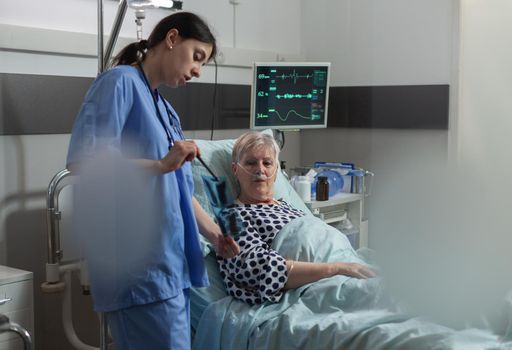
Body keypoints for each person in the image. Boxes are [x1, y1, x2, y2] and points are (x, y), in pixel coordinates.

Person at [66, 12, 240, 350]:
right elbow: (83, 162)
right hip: (139, 271)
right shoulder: (119, 83)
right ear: (172, 39)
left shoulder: (165, 109)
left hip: (170, 267)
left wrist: (215, 234)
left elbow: (178, 188)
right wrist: (160, 164)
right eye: (197, 57)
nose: (197, 71)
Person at [216, 131, 375, 305]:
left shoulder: (287, 206)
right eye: (251, 163)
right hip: (323, 282)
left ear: (276, 171)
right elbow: (256, 269)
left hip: (348, 263)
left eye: (267, 163)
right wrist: (336, 269)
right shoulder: (231, 217)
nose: (260, 170)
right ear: (235, 170)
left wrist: (346, 265)